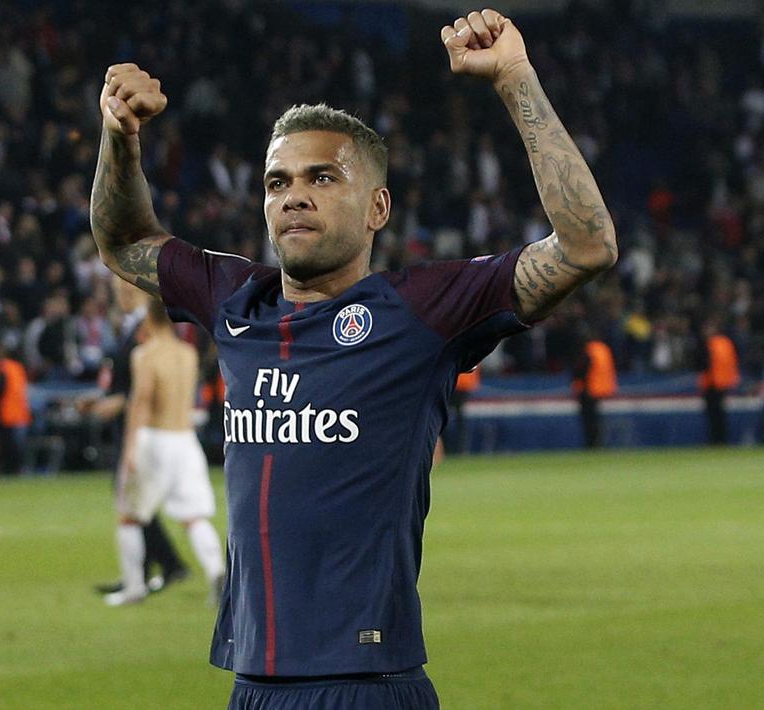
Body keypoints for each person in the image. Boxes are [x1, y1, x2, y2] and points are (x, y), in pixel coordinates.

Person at [89, 9, 617, 707]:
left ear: (377, 207)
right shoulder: (233, 297)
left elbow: (586, 246)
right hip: (253, 681)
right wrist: (119, 138)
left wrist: (515, 79)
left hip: (366, 683)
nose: (293, 196)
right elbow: (124, 240)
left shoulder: (423, 309)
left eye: (322, 178)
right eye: (276, 182)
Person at [104, 297, 226, 607]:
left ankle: (133, 588)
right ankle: (216, 572)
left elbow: (140, 403)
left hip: (154, 440)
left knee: (130, 517)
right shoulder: (187, 355)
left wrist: (129, 448)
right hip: (185, 439)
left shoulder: (145, 355)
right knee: (194, 517)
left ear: (148, 319)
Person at [88, 277, 190, 597]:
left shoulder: (144, 332)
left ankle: (163, 567)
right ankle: (149, 570)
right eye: (118, 290)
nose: (122, 295)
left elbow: (138, 390)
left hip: (142, 427)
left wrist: (111, 405)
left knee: (133, 499)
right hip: (133, 425)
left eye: (127, 289)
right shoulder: (130, 329)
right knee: (135, 499)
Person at [0, 341, 32, 475]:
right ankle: (19, 470)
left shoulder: (1, 367)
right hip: (21, 412)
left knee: (9, 446)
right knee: (18, 446)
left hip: (7, 412)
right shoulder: (18, 367)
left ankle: (12, 471)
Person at [695, 320, 740, 445]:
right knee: (720, 414)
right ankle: (721, 440)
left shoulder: (710, 344)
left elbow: (705, 364)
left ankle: (716, 440)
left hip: (713, 383)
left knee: (714, 415)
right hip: (723, 383)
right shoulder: (726, 343)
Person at [572, 332, 617, 448]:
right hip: (601, 388)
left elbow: (582, 370)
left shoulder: (589, 351)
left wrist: (576, 383)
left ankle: (592, 444)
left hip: (589, 389)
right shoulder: (603, 349)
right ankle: (597, 442)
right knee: (596, 419)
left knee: (589, 420)